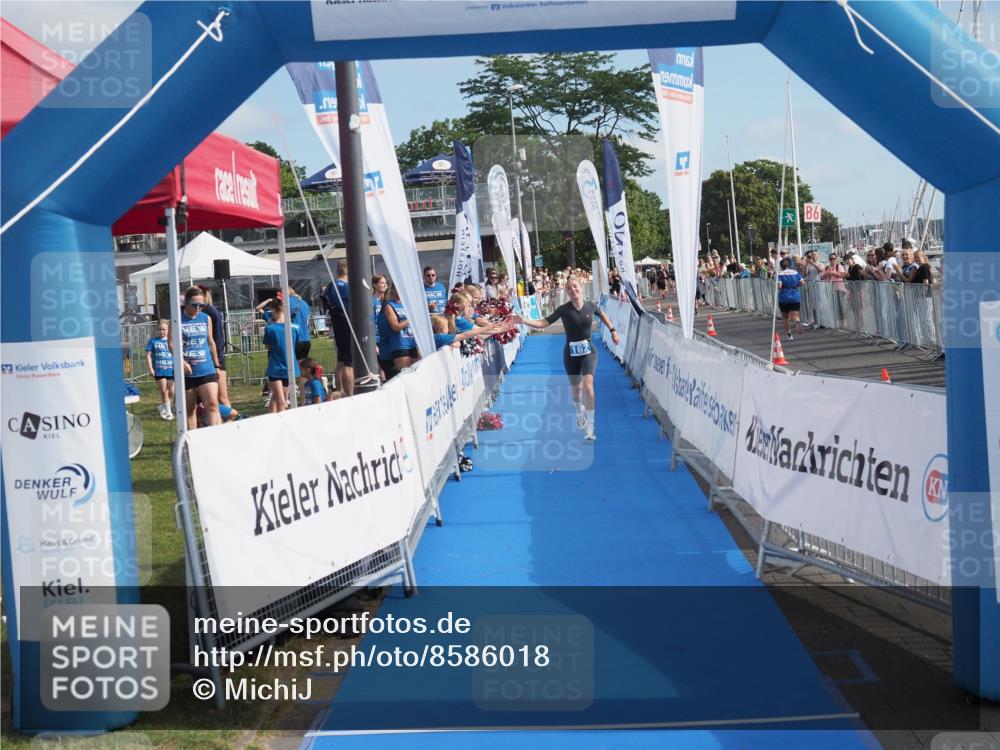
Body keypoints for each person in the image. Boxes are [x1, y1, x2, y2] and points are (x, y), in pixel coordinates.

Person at [515, 277, 619, 441]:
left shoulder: (590, 306)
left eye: (575, 286)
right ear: (567, 292)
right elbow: (544, 323)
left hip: (588, 352)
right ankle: (579, 412)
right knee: (576, 390)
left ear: (581, 287)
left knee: (588, 384)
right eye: (569, 288)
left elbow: (602, 314)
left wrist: (613, 330)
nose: (573, 290)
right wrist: (524, 321)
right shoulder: (563, 309)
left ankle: (591, 427)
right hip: (570, 354)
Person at [172, 286, 221, 429]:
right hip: (187, 372)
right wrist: (180, 361)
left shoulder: (206, 318)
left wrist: (217, 365)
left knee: (212, 404)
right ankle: (191, 442)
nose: (198, 308)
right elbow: (171, 344)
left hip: (206, 368)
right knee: (190, 409)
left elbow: (211, 343)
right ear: (186, 303)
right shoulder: (177, 320)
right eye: (195, 305)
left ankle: (215, 437)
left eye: (201, 305)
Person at [262, 297, 303, 413]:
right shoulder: (270, 329)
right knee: (281, 401)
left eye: (272, 312)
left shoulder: (294, 327)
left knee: (278, 399)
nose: (271, 315)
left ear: (278, 309)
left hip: (289, 368)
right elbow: (269, 346)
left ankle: (272, 420)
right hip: (275, 368)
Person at [198, 287, 231, 411]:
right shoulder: (201, 312)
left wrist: (217, 360)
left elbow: (216, 339)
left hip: (215, 358)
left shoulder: (210, 312)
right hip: (203, 359)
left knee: (222, 397)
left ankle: (230, 420)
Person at [325, 260, 353, 396]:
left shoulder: (334, 285)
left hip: (341, 322)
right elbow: (350, 303)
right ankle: (349, 392)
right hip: (345, 323)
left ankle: (341, 391)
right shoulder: (341, 286)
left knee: (342, 360)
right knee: (348, 360)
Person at [383, 282, 420, 370]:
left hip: (413, 343)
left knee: (416, 373)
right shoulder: (389, 305)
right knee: (405, 373)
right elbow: (395, 327)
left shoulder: (408, 304)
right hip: (400, 345)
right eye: (399, 288)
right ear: (393, 290)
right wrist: (411, 319)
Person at [145, 319, 174, 420]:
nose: (162, 332)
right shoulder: (153, 341)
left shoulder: (172, 340)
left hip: (171, 369)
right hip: (159, 370)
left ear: (168, 329)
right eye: (159, 330)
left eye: (164, 329)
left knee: (171, 391)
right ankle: (168, 412)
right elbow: (148, 355)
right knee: (164, 390)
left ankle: (163, 406)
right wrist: (150, 368)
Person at [777, 256, 805, 339]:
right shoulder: (795, 273)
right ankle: (797, 321)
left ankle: (789, 335)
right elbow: (802, 282)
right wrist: (795, 285)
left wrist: (779, 286)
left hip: (784, 297)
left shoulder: (780, 274)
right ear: (789, 265)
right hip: (795, 296)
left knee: (785, 317)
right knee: (795, 314)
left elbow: (779, 286)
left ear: (781, 266)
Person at [288, 287, 312, 360]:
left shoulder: (287, 302)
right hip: (306, 338)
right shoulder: (304, 303)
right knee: (303, 366)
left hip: (295, 338)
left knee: (294, 367)